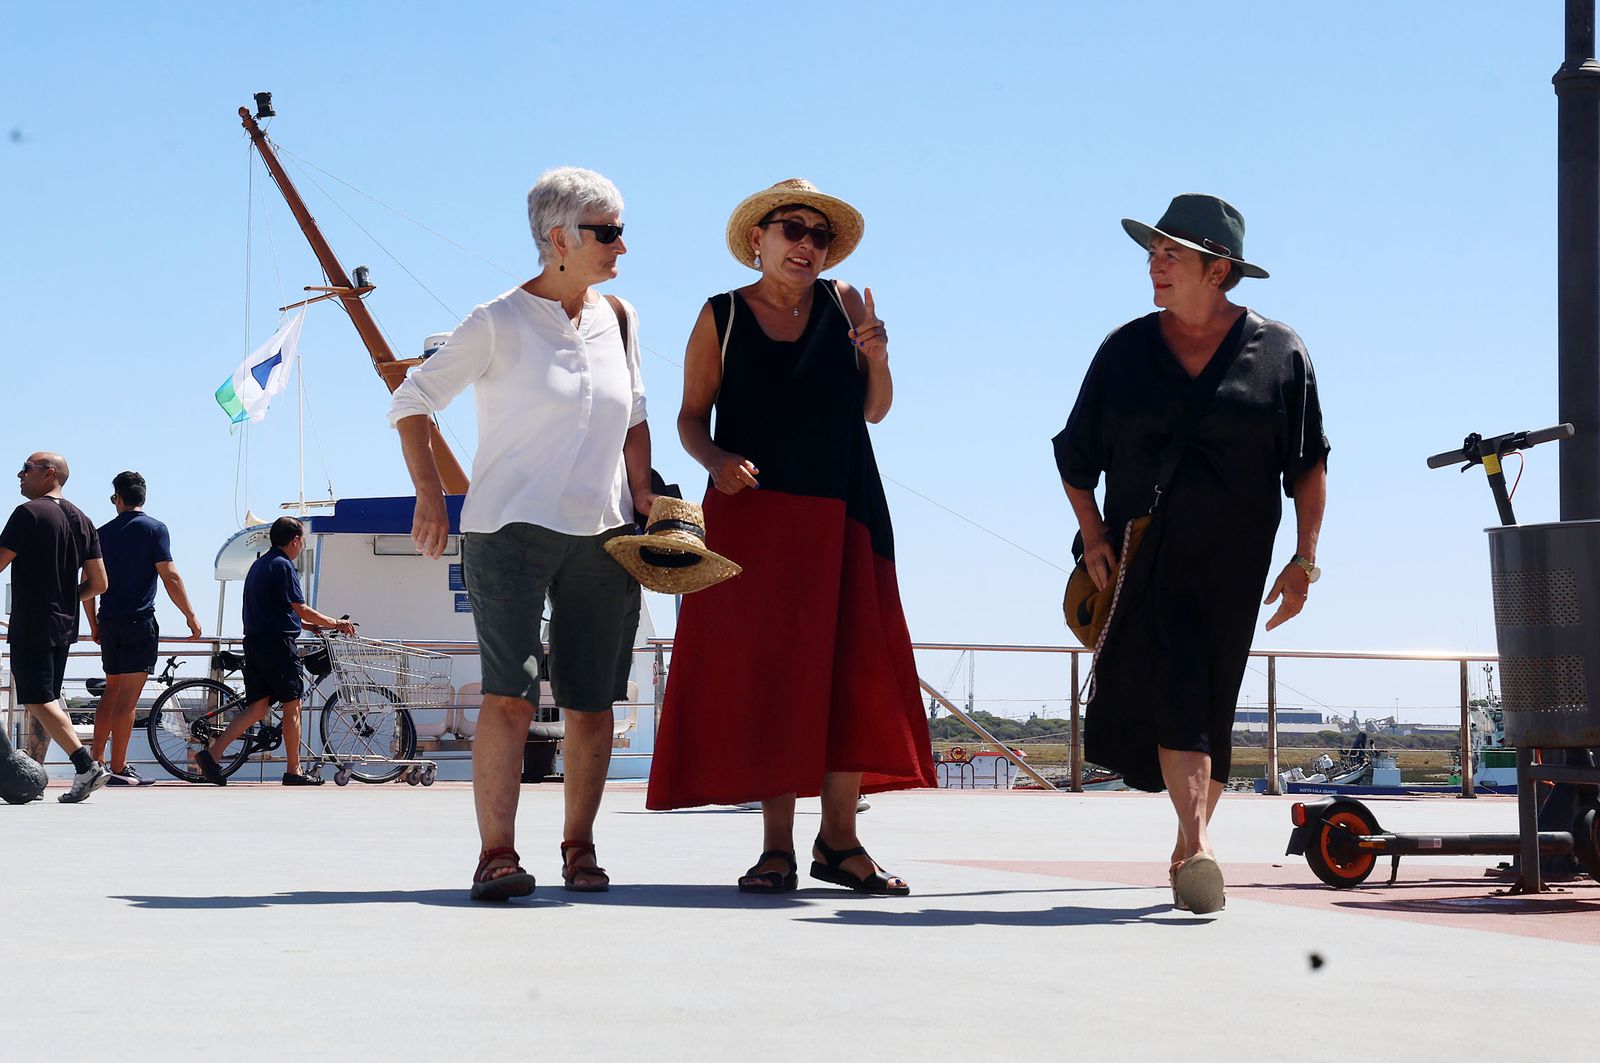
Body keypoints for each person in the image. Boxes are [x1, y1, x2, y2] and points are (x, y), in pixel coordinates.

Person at [646, 179, 935, 895]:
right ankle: (776, 848)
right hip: (754, 519)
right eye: (791, 229)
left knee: (849, 669)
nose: (806, 243)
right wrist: (715, 461)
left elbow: (876, 410)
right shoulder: (722, 316)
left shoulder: (844, 308)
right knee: (772, 674)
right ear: (758, 239)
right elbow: (689, 417)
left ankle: (839, 843)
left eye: (819, 235)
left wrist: (878, 354)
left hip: (845, 511)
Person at [1052, 194, 1330, 914]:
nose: (1155, 263)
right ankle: (1201, 848)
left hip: (1237, 562)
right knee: (1178, 689)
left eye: (1172, 252)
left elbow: (1307, 465)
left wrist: (1304, 560)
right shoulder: (1124, 352)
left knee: (1209, 702)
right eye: (1153, 251)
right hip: (1145, 557)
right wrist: (1092, 535)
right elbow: (1074, 458)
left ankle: (1187, 843)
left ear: (1220, 269)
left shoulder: (1280, 352)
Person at [389, 166, 656, 901]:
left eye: (621, 229)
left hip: (602, 534)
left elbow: (633, 417)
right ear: (558, 240)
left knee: (592, 700)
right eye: (608, 232)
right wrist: (430, 496)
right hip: (506, 530)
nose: (621, 246)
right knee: (509, 693)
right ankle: (496, 854)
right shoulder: (497, 320)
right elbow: (412, 401)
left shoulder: (622, 319)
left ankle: (579, 846)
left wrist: (644, 495)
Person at [193, 516, 355, 786]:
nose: (301, 546)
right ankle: (294, 771)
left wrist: (303, 625)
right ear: (294, 540)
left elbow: (277, 608)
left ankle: (213, 754)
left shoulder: (260, 565)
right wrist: (335, 623)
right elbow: (300, 606)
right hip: (278, 646)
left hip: (255, 643)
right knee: (293, 705)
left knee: (257, 707)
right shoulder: (283, 566)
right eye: (301, 541)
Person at [0, 452, 111, 802]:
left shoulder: (28, 514)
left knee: (36, 698)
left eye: (26, 469)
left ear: (49, 474)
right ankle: (43, 772)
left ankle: (85, 764)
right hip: (64, 624)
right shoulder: (83, 520)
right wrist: (65, 596)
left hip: (32, 621)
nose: (19, 475)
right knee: (45, 699)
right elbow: (99, 583)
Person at [84, 471, 204, 785]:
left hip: (109, 622)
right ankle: (119, 768)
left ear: (118, 499)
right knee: (128, 699)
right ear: (143, 498)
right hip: (139, 622)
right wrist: (190, 617)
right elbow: (171, 577)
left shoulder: (100, 534)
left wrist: (93, 622)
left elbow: (87, 584)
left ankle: (96, 764)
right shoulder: (155, 530)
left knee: (110, 694)